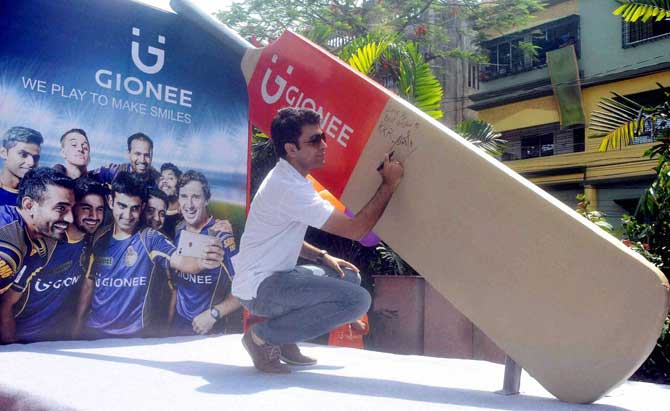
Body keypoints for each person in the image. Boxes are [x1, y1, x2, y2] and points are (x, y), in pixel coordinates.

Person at [232, 108, 404, 373]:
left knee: (347, 275)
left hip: (276, 278)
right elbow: (357, 230)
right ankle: (261, 337)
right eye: (314, 140)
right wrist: (389, 184)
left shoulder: (291, 178)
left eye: (323, 137)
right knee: (357, 301)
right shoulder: (288, 187)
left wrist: (321, 256)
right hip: (261, 289)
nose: (324, 145)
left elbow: (278, 236)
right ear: (291, 149)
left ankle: (284, 337)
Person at [72, 172, 224, 339]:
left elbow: (181, 261)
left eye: (134, 208)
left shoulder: (150, 238)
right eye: (122, 206)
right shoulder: (99, 236)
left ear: (142, 207)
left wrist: (204, 262)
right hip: (94, 331)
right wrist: (76, 328)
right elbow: (89, 284)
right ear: (111, 202)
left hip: (133, 336)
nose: (128, 215)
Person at [0, 177, 105, 343]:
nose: (94, 215)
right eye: (61, 209)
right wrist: (14, 349)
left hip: (53, 341)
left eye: (100, 209)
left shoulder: (88, 246)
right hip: (23, 340)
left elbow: (86, 290)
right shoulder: (25, 245)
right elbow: (7, 304)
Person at [0, 168, 75, 342]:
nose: (70, 219)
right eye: (61, 208)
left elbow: (6, 304)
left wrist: (14, 352)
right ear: (29, 205)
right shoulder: (7, 247)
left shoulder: (43, 242)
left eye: (71, 209)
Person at [169, 170, 239, 336]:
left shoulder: (222, 235)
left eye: (196, 197)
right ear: (178, 199)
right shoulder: (178, 230)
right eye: (184, 196)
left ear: (207, 199)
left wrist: (214, 314)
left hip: (209, 329)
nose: (189, 204)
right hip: (178, 325)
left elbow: (246, 287)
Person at [90, 133, 160, 186]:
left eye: (147, 155)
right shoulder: (113, 171)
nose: (142, 160)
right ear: (128, 154)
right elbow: (84, 178)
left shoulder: (158, 180)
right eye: (137, 154)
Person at [0, 127, 44, 206]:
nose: (31, 163)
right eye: (23, 155)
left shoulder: (40, 194)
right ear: (3, 153)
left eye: (35, 158)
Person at [158, 163, 182, 239]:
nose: (164, 181)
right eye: (162, 178)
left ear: (179, 183)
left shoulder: (187, 210)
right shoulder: (153, 210)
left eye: (170, 178)